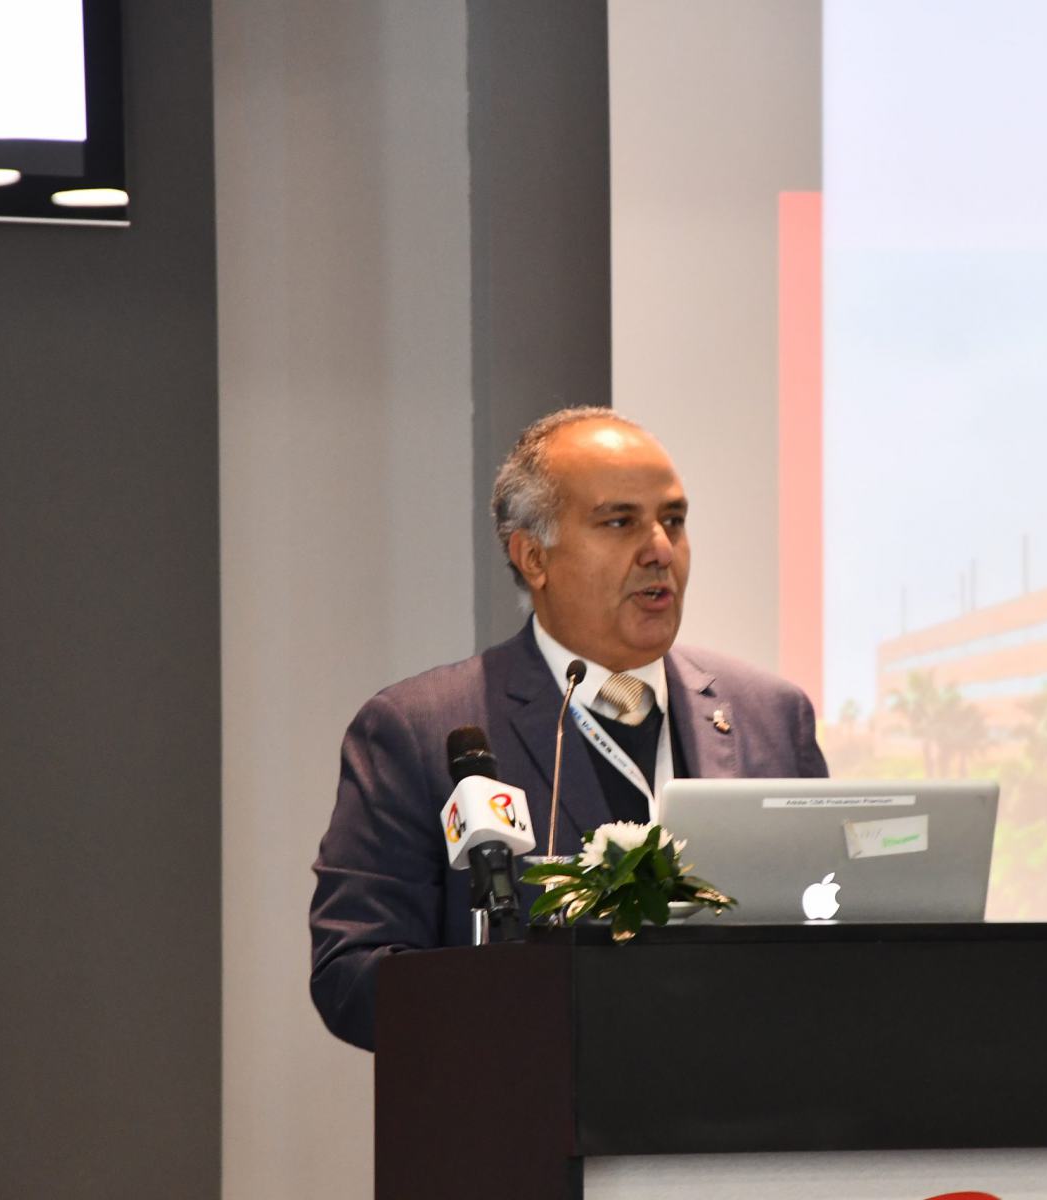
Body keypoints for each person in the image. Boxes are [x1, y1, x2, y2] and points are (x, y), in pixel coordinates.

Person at [309, 407, 828, 1050]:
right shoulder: (421, 729)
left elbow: (831, 927)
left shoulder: (771, 718)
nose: (660, 551)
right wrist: (523, 1003)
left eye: (673, 520)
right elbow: (351, 975)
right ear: (534, 557)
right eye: (620, 522)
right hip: (534, 1100)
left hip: (738, 1101)